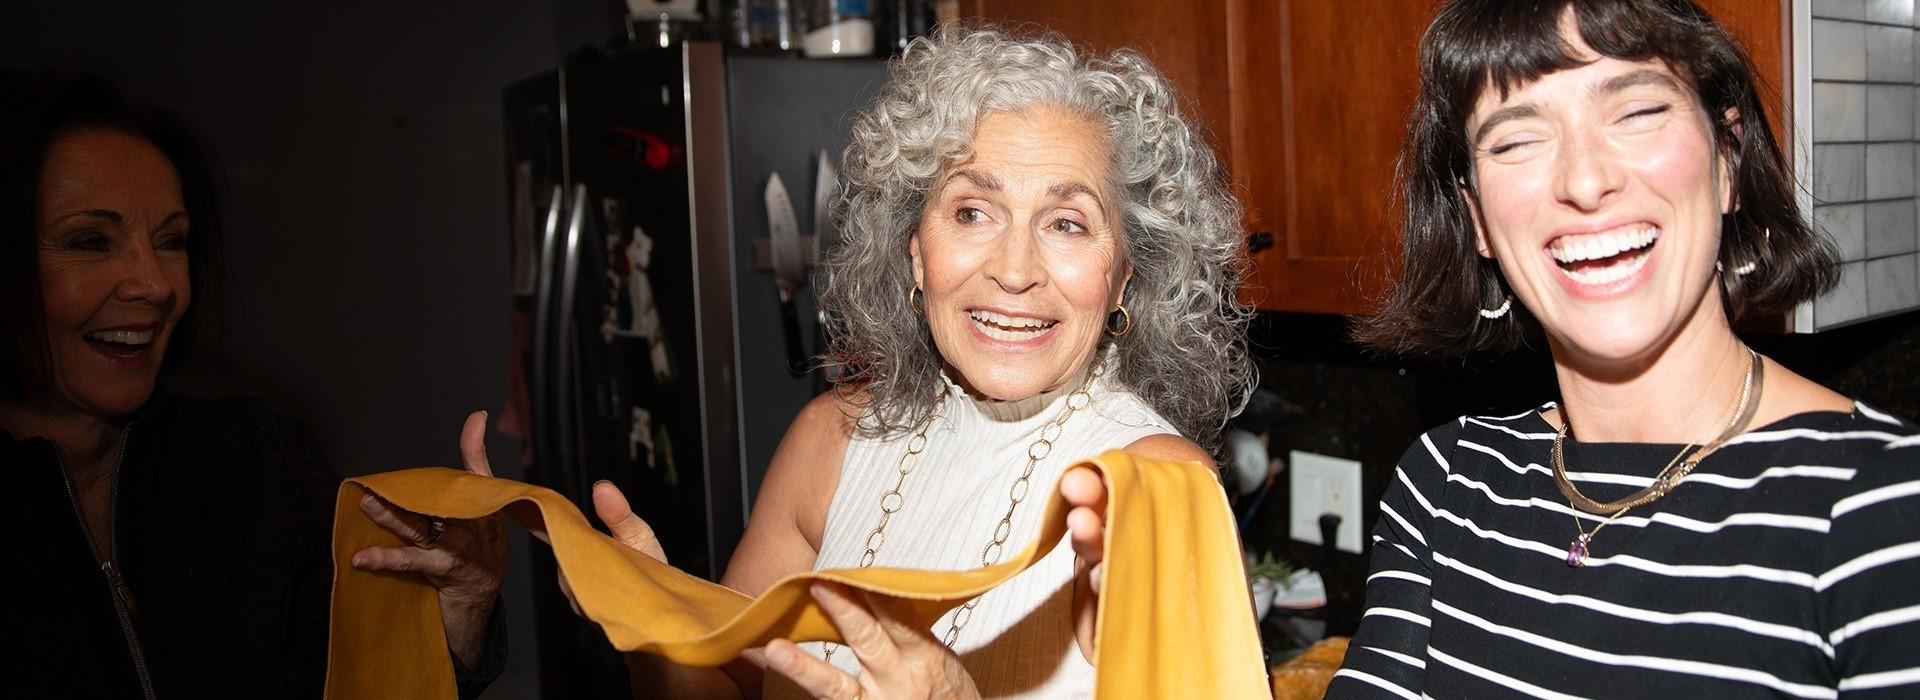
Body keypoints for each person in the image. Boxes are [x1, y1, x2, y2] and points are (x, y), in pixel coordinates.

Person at [529, 25, 1253, 699]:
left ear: (1125, 275)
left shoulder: (1156, 488)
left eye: (1067, 223)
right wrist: (647, 623)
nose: (1014, 268)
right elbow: (732, 691)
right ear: (914, 248)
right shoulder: (830, 441)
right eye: (973, 211)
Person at [1330, 0, 1920, 697]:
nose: (1584, 182)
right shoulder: (1447, 484)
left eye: (1637, 112)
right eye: (1516, 140)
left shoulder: (1884, 510)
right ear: (1477, 218)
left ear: (1727, 158)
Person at [0, 72, 509, 699]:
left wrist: (462, 610)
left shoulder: (257, 462)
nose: (155, 285)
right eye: (90, 242)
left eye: (171, 241)